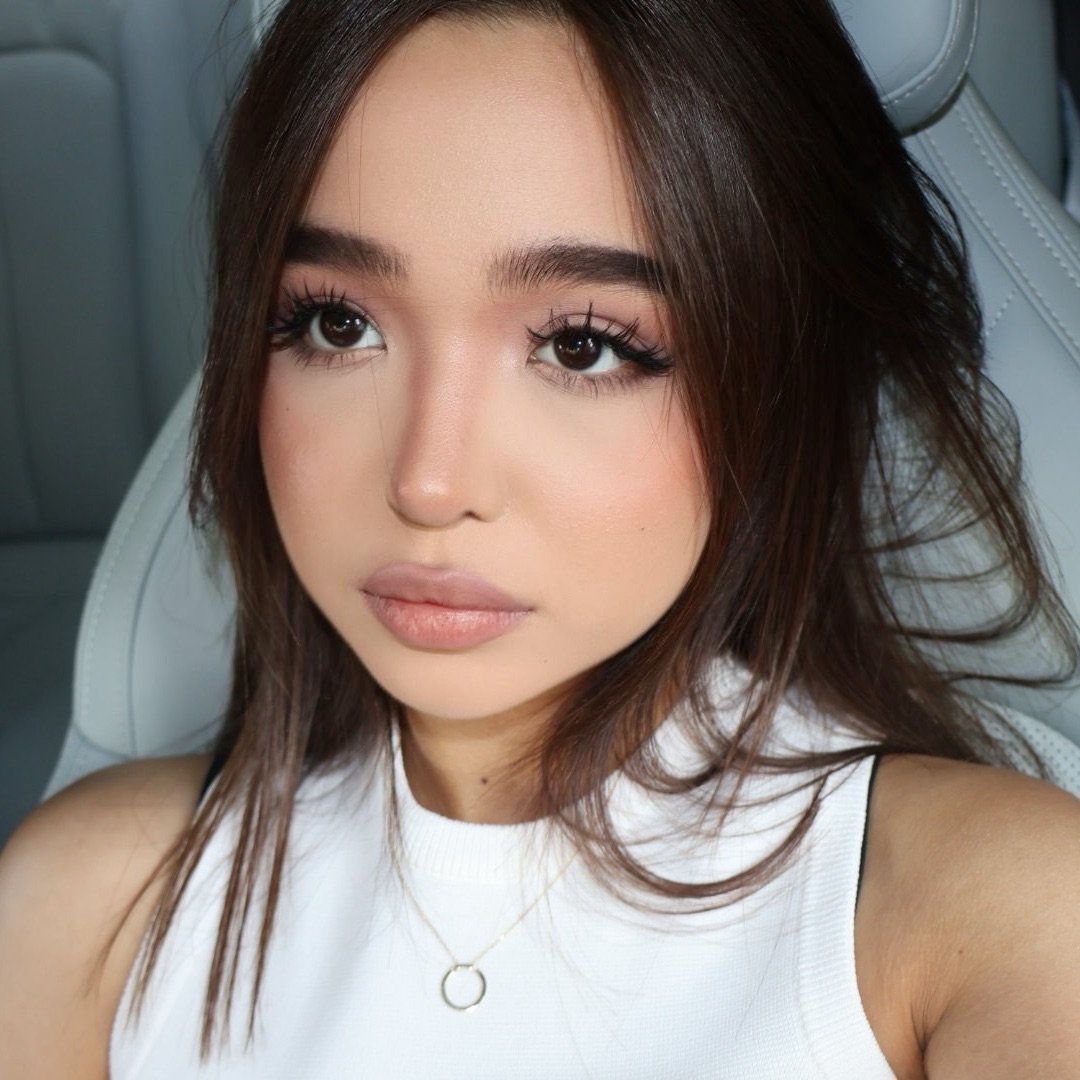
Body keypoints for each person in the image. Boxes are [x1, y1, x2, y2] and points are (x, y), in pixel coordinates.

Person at [2, 0, 1080, 1075]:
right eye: (339, 323)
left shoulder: (986, 909)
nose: (429, 483)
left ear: (778, 384)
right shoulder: (92, 904)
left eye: (580, 346)